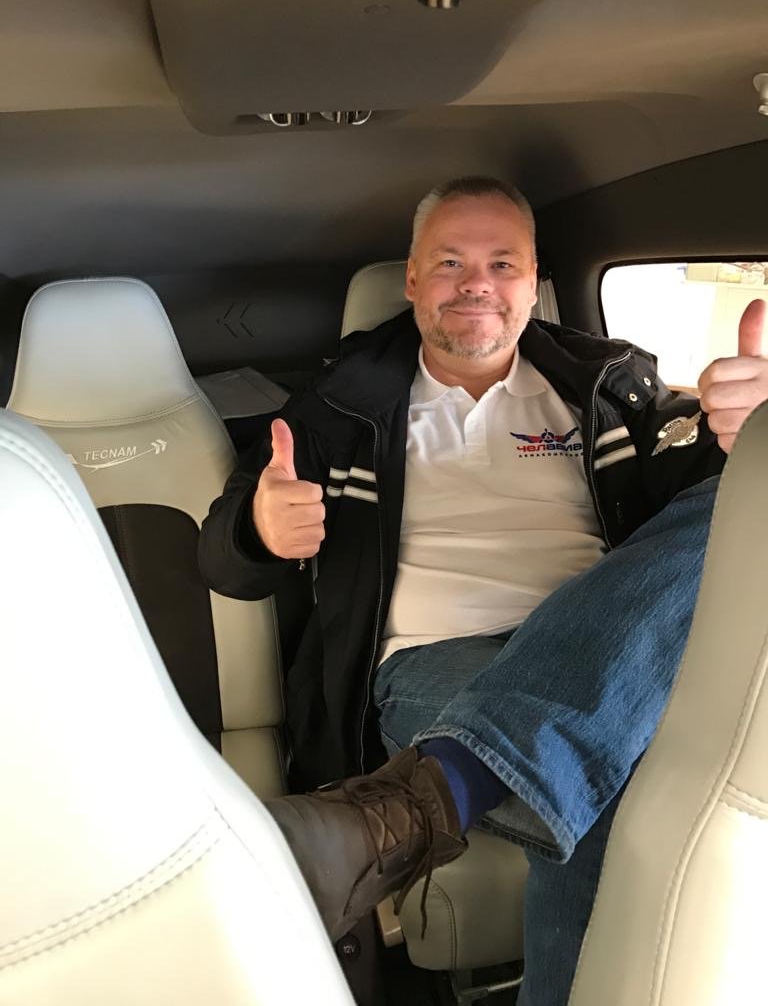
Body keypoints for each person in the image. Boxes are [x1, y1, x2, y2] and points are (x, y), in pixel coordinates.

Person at [198, 176, 768, 1005]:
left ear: (534, 283)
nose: (477, 284)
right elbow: (223, 562)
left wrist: (743, 441)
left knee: (751, 496)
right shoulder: (337, 408)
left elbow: (695, 518)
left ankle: (416, 805)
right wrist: (260, 527)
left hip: (607, 643)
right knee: (605, 782)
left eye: (502, 264)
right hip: (434, 661)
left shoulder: (611, 388)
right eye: (450, 262)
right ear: (412, 280)